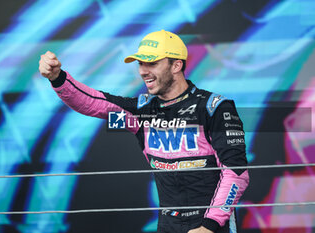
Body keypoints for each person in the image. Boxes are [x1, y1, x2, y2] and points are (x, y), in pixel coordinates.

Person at [39, 30, 249, 233]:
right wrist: (58, 78)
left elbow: (236, 172)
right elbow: (93, 103)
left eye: (152, 63)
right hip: (168, 224)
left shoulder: (215, 107)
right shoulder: (141, 112)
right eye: (140, 63)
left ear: (176, 65)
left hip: (210, 224)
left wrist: (209, 226)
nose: (142, 71)